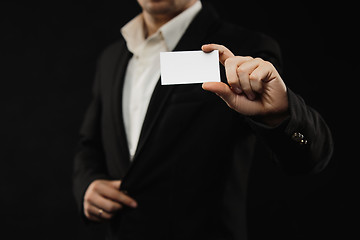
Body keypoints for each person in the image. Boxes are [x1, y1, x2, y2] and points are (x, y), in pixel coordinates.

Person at [73, 0, 333, 239]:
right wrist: (88, 184)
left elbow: (310, 158)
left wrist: (280, 114)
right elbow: (90, 143)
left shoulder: (246, 49)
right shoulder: (111, 58)